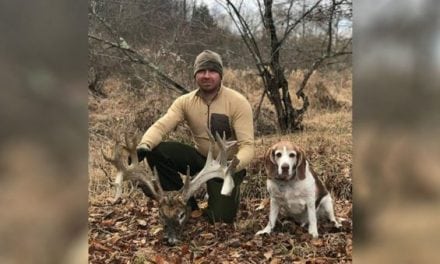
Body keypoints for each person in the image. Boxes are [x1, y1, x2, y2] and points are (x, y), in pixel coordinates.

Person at [136, 50, 255, 223]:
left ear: (220, 75)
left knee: (220, 218)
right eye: (201, 71)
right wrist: (144, 145)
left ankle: (216, 199)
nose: (206, 76)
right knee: (157, 151)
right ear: (195, 75)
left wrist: (233, 165)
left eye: (212, 71)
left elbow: (248, 147)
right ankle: (186, 205)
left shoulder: (238, 102)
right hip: (200, 159)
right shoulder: (185, 102)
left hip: (226, 167)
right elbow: (162, 126)